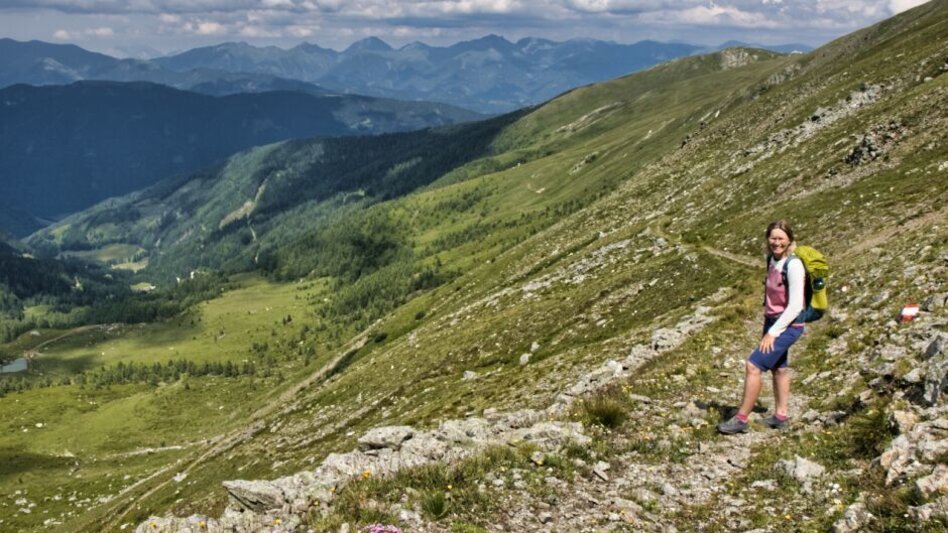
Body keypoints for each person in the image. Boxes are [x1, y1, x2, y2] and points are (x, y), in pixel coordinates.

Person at [718, 220, 805, 434]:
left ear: (790, 241)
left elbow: (795, 306)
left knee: (753, 366)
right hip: (772, 320)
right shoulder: (771, 260)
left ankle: (741, 419)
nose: (776, 242)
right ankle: (781, 416)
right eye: (773, 238)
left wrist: (773, 334)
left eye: (781, 238)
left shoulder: (793, 265)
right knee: (779, 368)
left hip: (788, 325)